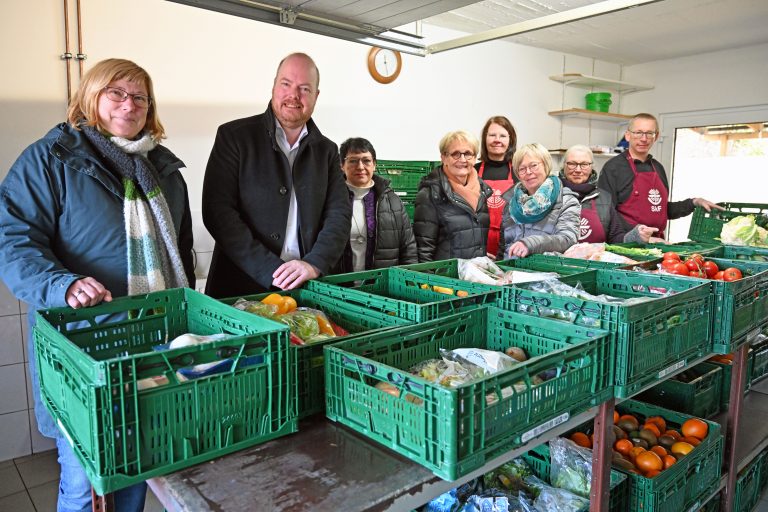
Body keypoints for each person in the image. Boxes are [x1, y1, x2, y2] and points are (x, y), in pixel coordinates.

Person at [0, 58, 194, 512]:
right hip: (83, 348)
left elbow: (180, 253)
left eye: (140, 97)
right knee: (87, 484)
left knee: (135, 470)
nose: (129, 105)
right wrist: (62, 285)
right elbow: (13, 241)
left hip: (151, 347)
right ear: (91, 97)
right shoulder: (49, 159)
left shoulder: (165, 171)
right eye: (117, 93)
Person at [202, 53, 350, 297]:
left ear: (316, 96)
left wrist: (314, 263)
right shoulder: (234, 137)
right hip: (240, 289)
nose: (294, 95)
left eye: (304, 88)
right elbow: (218, 212)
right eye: (286, 84)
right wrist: (272, 270)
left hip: (307, 289)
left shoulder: (327, 151)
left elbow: (339, 215)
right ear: (273, 86)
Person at [597, 113, 722, 239]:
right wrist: (637, 236)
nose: (644, 138)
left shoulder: (658, 168)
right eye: (638, 132)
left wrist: (694, 202)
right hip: (626, 245)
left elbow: (660, 210)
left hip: (657, 243)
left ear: (655, 137)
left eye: (649, 133)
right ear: (628, 135)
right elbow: (604, 214)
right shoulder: (613, 168)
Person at [334, 137, 418, 272]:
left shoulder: (392, 202)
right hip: (337, 287)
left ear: (374, 164)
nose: (360, 167)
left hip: (382, 287)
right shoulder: (329, 201)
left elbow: (408, 248)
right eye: (353, 161)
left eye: (366, 161)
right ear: (342, 166)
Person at [413, 130, 492, 261]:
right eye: (455, 154)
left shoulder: (482, 191)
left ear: (474, 158)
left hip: (473, 275)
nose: (462, 159)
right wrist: (428, 281)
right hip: (445, 278)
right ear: (443, 157)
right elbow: (423, 251)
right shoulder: (431, 194)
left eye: (467, 154)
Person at [559, 144, 658, 243]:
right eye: (572, 164)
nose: (578, 170)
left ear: (591, 167)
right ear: (564, 166)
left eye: (584, 164)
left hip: (594, 257)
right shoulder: (552, 194)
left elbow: (616, 236)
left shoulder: (604, 198)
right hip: (556, 258)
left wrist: (637, 236)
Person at [500, 143, 580, 258]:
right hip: (513, 271)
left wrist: (530, 243)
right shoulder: (512, 204)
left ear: (546, 166)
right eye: (522, 169)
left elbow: (567, 239)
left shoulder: (566, 201)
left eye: (534, 166)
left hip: (549, 272)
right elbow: (504, 246)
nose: (528, 172)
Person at [475, 116, 518, 259]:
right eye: (492, 135)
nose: (497, 140)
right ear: (485, 139)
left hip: (509, 241)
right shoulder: (472, 171)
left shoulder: (519, 172)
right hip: (478, 240)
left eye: (503, 135)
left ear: (510, 140)